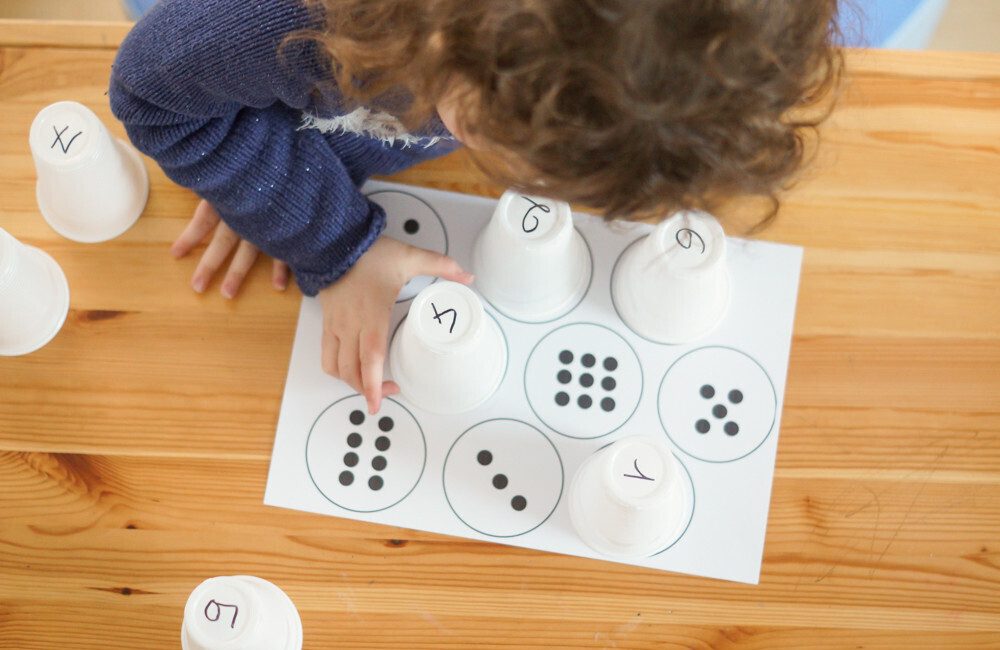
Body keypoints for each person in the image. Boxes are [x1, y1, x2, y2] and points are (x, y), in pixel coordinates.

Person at [110, 0, 840, 414]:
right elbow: (152, 94)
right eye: (502, 148)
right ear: (435, 42)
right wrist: (311, 222)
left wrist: (268, 165)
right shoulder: (293, 27)